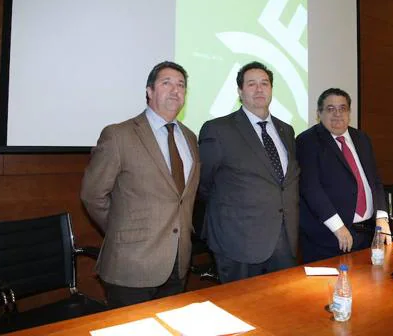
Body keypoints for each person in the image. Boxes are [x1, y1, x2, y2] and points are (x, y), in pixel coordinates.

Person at [81, 61, 200, 308]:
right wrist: (121, 230)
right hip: (131, 265)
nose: (175, 90)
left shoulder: (190, 137)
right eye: (166, 83)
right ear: (149, 91)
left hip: (178, 264)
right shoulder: (119, 135)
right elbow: (93, 195)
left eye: (181, 85)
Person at [198, 61, 300, 283]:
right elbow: (204, 184)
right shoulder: (218, 129)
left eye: (264, 83)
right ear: (239, 91)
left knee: (284, 308)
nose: (259, 89)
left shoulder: (286, 130)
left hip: (283, 241)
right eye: (251, 84)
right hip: (238, 242)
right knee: (239, 311)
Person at [296, 88, 391, 263]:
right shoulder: (307, 141)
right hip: (329, 238)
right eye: (330, 109)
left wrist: (382, 218)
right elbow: (311, 188)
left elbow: (375, 181)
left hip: (368, 233)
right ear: (319, 114)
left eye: (343, 108)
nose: (337, 114)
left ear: (349, 112)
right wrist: (338, 227)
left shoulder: (362, 138)